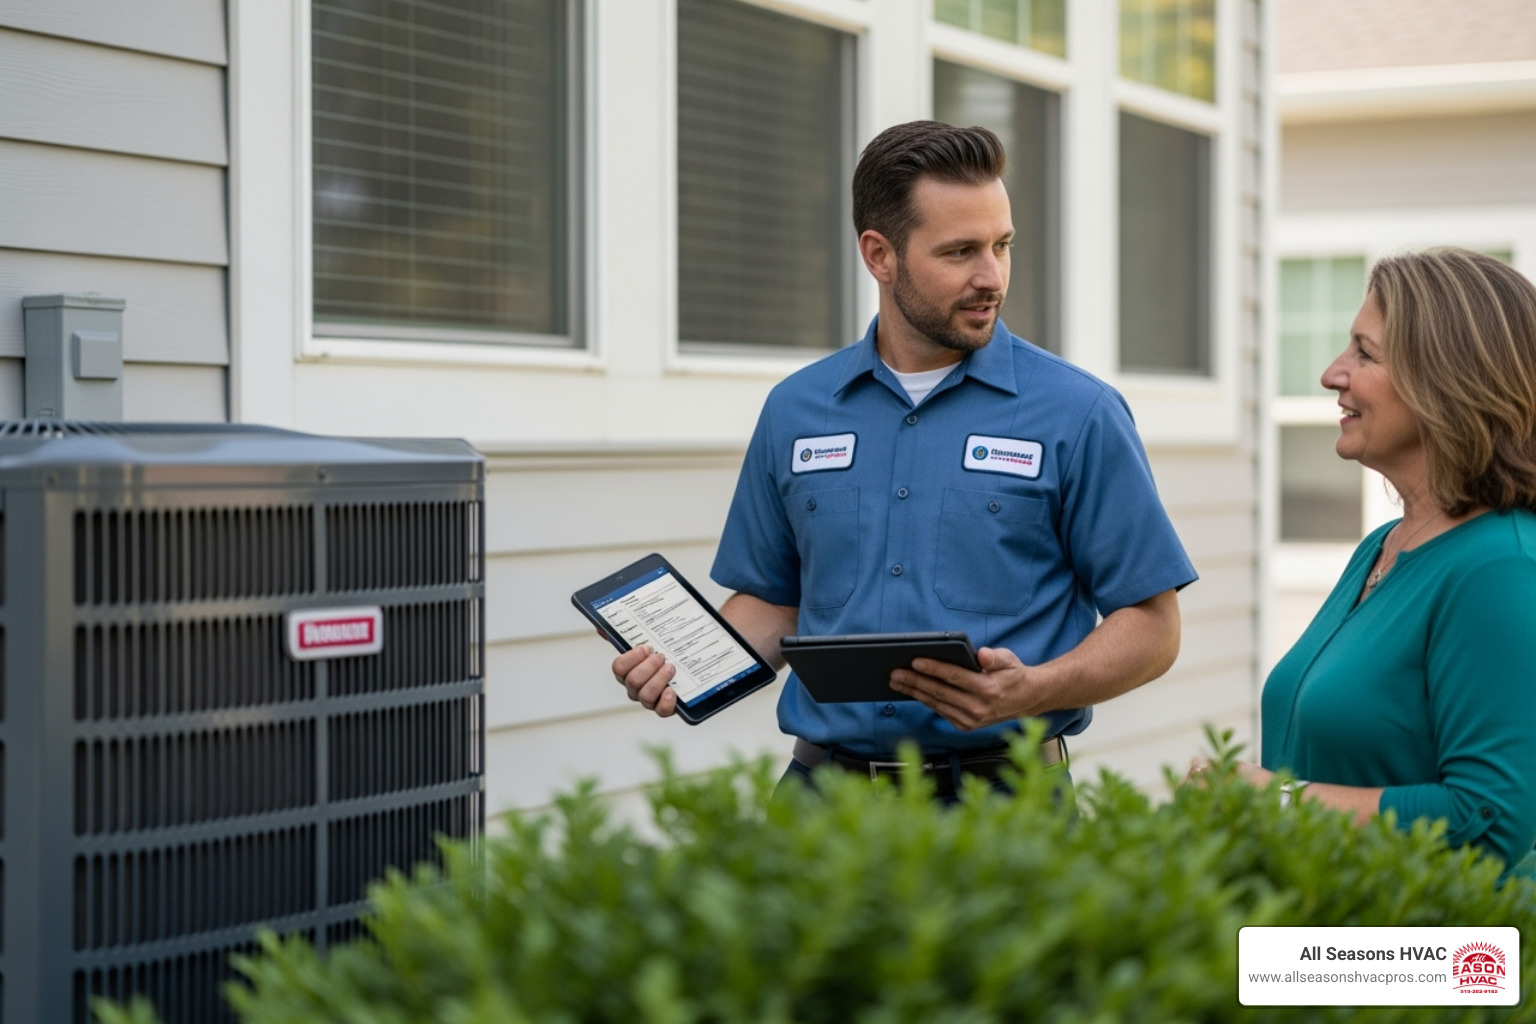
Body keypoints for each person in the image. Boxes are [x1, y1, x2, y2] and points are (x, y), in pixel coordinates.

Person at [613, 120, 1197, 797]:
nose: (991, 277)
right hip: (821, 801)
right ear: (879, 255)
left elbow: (1153, 627)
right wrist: (683, 665)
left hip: (1003, 803)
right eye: (960, 252)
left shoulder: (1079, 412)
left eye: (1002, 245)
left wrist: (1035, 688)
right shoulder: (796, 410)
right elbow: (776, 601)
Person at [1191, 247, 1536, 877]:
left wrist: (1273, 800)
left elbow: (1490, 820)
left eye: (1364, 354)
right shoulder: (1382, 546)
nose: (1332, 374)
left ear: (1446, 382)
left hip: (1431, 941)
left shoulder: (1499, 569)